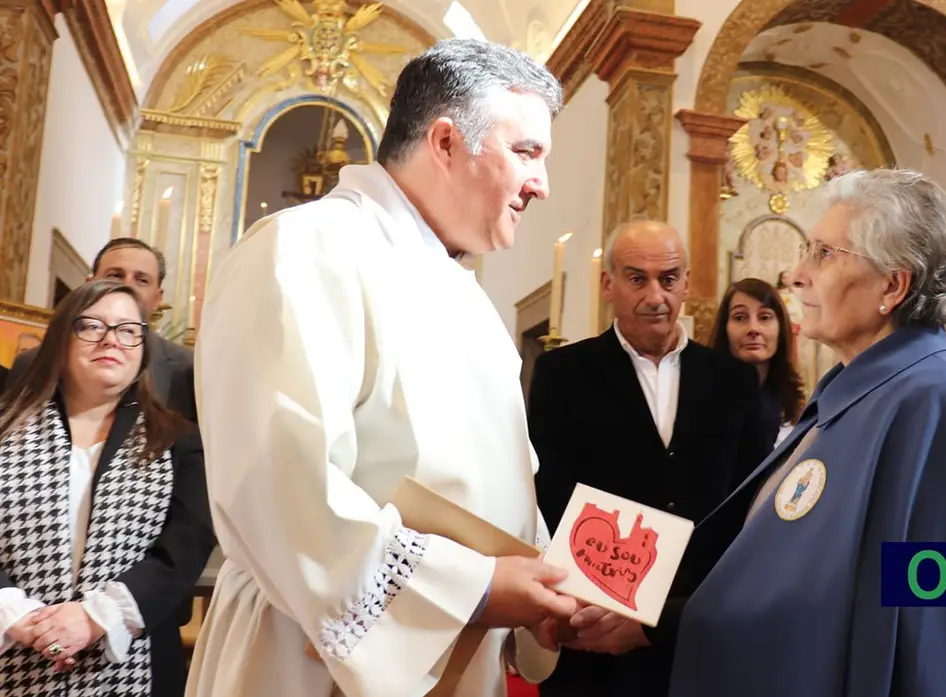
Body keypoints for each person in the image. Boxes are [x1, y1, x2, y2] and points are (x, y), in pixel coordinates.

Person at [185, 39, 577, 697]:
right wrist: (475, 586)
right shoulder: (305, 251)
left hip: (451, 652)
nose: (541, 183)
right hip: (309, 659)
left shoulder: (466, 297)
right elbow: (282, 488)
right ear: (446, 143)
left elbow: (490, 485)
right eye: (527, 153)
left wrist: (547, 587)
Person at [666, 168, 946, 697]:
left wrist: (670, 622)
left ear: (893, 285)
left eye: (823, 254)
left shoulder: (936, 403)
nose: (796, 274)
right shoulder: (854, 392)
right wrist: (662, 611)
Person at [529, 220, 771, 697]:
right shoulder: (562, 374)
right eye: (637, 278)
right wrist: (603, 598)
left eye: (669, 278)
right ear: (608, 285)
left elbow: (749, 505)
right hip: (595, 624)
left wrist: (683, 610)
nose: (656, 296)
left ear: (686, 283)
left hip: (697, 625)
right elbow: (550, 491)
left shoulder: (734, 381)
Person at [0, 280, 214, 696]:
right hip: (11, 645)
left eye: (128, 329)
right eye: (92, 326)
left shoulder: (180, 441)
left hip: (135, 658)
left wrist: (94, 618)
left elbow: (184, 549)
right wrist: (19, 616)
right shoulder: (6, 430)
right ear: (62, 340)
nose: (111, 340)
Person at [8, 238, 196, 422]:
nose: (126, 286)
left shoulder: (187, 371)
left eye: (142, 280)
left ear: (157, 298)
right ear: (89, 284)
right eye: (115, 275)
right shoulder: (30, 363)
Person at [709, 277, 804, 449]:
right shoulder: (704, 396)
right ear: (725, 328)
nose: (753, 329)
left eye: (765, 317)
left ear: (780, 328)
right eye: (740, 317)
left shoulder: (791, 399)